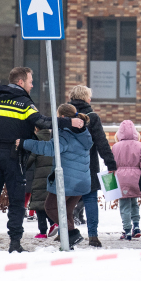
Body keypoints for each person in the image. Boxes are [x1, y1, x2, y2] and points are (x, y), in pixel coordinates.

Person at [0, 66, 80, 255]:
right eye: (30, 81)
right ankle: (15, 243)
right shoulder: (24, 103)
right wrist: (69, 122)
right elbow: (42, 122)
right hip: (14, 156)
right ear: (20, 82)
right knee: (17, 201)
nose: (32, 85)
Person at [23, 104, 94, 248]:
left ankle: (73, 234)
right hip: (83, 181)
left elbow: (50, 149)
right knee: (66, 212)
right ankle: (68, 243)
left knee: (50, 207)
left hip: (68, 181)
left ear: (62, 117)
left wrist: (25, 143)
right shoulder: (83, 132)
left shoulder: (65, 133)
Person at [68, 85, 117, 245]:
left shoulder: (65, 116)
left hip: (68, 164)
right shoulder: (92, 117)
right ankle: (93, 235)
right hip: (89, 165)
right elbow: (102, 142)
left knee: (66, 200)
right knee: (90, 199)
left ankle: (65, 232)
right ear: (85, 98)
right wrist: (110, 163)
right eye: (89, 96)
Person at [112, 120, 141, 241]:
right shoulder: (139, 145)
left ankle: (127, 230)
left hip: (121, 179)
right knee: (134, 203)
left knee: (124, 206)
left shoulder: (116, 146)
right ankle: (136, 226)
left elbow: (112, 164)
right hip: (136, 178)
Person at [26, 129, 53, 238]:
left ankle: (42, 232)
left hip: (39, 176)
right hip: (53, 176)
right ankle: (54, 224)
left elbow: (29, 160)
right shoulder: (54, 139)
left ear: (36, 128)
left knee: (38, 203)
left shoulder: (36, 140)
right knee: (50, 202)